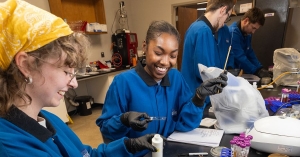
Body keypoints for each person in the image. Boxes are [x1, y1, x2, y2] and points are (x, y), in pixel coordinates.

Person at [0, 0, 161, 156]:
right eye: (66, 71)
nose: (74, 83)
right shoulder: (12, 147)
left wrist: (129, 146)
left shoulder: (49, 120)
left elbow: (85, 154)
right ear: (26, 65)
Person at [96, 20, 228, 157]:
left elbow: (185, 124)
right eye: (158, 53)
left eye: (173, 56)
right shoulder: (123, 82)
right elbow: (106, 129)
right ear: (145, 47)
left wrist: (198, 98)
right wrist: (123, 119)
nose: (165, 62)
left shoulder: (176, 78)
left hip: (169, 151)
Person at [180, 0, 236, 107]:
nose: (224, 23)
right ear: (222, 10)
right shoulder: (204, 31)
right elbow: (207, 73)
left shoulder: (195, 26)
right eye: (227, 17)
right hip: (198, 98)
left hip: (191, 95)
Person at [229, 7, 271, 78]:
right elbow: (239, 56)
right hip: (230, 71)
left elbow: (249, 52)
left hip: (238, 71)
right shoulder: (233, 33)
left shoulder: (247, 33)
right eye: (253, 28)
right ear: (246, 21)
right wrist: (256, 71)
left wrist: (260, 68)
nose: (253, 32)